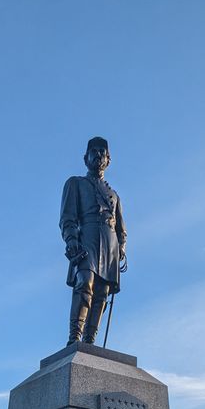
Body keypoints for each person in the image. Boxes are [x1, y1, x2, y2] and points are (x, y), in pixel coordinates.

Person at [59, 137, 127, 345]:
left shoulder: (114, 195)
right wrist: (71, 239)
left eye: (102, 152)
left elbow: (121, 228)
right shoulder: (75, 183)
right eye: (94, 152)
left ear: (108, 159)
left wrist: (121, 247)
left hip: (110, 244)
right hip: (87, 238)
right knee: (84, 283)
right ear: (85, 158)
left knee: (101, 293)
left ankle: (90, 341)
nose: (98, 155)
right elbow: (68, 217)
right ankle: (75, 337)